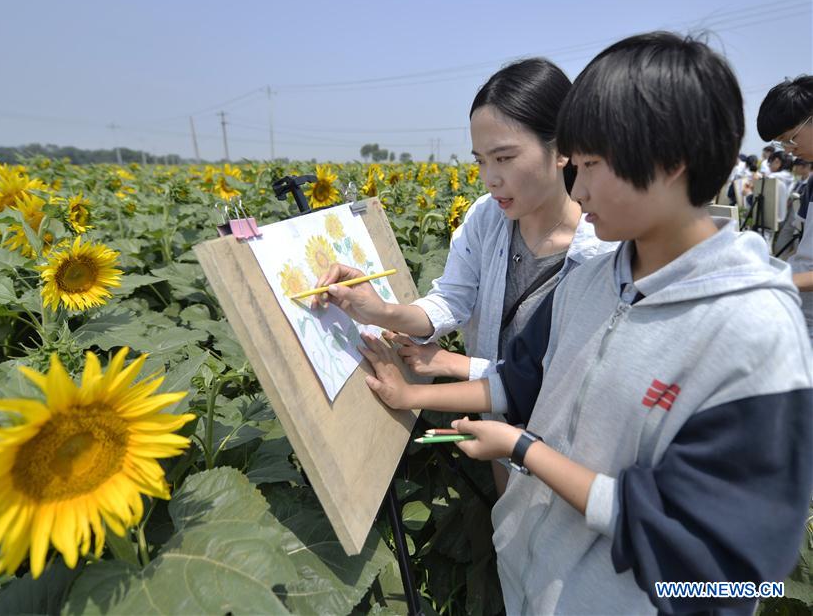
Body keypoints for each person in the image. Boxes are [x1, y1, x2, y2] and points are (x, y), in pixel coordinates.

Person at [358, 32, 812, 614]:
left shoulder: (753, 330)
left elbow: (737, 573)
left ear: (670, 163)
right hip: (532, 578)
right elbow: (519, 379)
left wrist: (525, 451)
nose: (578, 186)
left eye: (591, 165)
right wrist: (411, 391)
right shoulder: (594, 282)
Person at [313, 58, 616, 494]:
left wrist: (458, 365)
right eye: (480, 161)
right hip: (494, 431)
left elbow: (560, 378)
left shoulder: (602, 251)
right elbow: (451, 302)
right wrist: (381, 311)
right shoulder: (486, 219)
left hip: (569, 452)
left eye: (505, 157)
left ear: (562, 148)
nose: (491, 179)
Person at [758, 74, 813, 340]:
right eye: (782, 143)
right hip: (800, 311)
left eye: (790, 138)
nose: (789, 150)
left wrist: (777, 281)